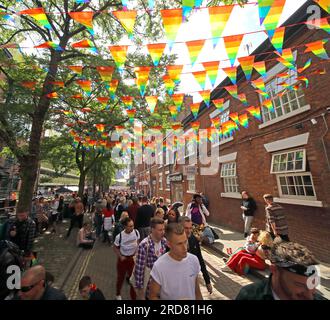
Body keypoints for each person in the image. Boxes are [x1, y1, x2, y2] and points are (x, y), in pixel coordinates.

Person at [236, 241, 326, 300]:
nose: (309, 297)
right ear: (274, 270)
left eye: (313, 285)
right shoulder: (249, 296)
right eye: (299, 284)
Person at [149, 223, 203, 300]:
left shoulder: (194, 260)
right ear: (169, 244)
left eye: (185, 241)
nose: (185, 247)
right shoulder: (159, 266)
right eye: (179, 244)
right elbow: (152, 297)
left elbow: (197, 292)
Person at [134, 217, 167, 300]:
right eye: (160, 230)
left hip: (163, 286)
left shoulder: (164, 242)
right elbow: (139, 270)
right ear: (152, 229)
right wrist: (140, 292)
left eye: (163, 229)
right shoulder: (144, 245)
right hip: (150, 287)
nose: (163, 232)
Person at [179, 216, 213, 295]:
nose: (189, 231)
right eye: (186, 228)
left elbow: (200, 259)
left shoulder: (193, 239)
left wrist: (207, 281)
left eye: (190, 228)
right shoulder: (173, 242)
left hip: (191, 278)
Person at [113, 217, 140, 300]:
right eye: (130, 226)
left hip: (132, 259)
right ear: (125, 226)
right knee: (120, 278)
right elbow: (115, 247)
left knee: (133, 280)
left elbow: (138, 242)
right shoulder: (119, 236)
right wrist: (120, 256)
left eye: (133, 225)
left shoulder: (136, 232)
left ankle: (133, 298)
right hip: (123, 260)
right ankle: (118, 294)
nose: (132, 228)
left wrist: (137, 252)